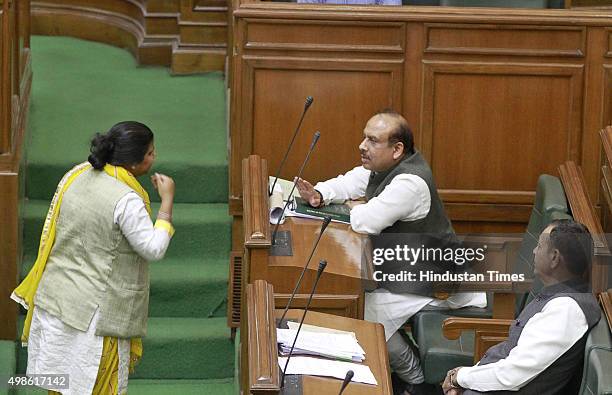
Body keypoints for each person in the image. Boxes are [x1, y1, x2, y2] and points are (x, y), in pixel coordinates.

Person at [296, 109, 485, 395]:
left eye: (372, 140)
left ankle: (416, 378)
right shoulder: (382, 168)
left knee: (365, 311)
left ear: (397, 149)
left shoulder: (410, 182)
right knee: (363, 298)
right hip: (409, 269)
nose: (362, 146)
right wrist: (320, 194)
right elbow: (348, 183)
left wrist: (354, 207)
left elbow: (365, 221)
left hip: (442, 281)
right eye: (364, 138)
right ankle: (407, 370)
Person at [11, 121, 176, 395]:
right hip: (97, 316)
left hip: (57, 298)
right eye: (150, 153)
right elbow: (152, 248)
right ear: (134, 163)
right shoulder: (126, 199)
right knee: (99, 386)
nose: (154, 157)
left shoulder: (76, 174)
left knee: (62, 385)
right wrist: (167, 203)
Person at [442, 220, 601, 395]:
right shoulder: (560, 298)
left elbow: (512, 375)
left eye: (539, 246)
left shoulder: (566, 310)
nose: (534, 251)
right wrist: (465, 379)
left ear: (554, 257)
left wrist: (458, 377)